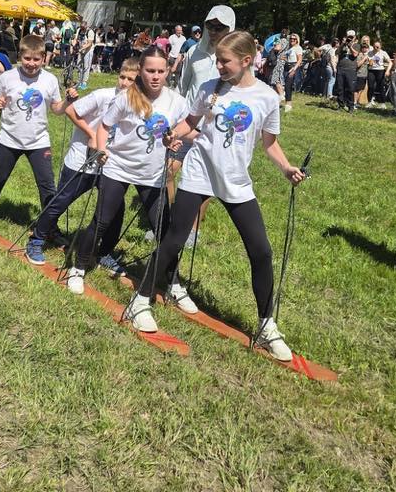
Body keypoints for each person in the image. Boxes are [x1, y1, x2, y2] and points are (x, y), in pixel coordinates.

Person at [124, 31, 306, 361]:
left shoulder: (266, 97)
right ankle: (140, 301)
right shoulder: (210, 88)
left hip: (236, 183)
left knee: (261, 252)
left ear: (247, 61)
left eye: (225, 61)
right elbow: (190, 122)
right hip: (199, 175)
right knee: (174, 239)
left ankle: (266, 325)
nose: (219, 66)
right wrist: (173, 134)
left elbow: (269, 143)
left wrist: (286, 168)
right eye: (218, 60)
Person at [67, 46, 189, 292]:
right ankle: (78, 268)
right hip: (119, 168)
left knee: (164, 229)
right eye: (150, 71)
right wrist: (102, 148)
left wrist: (176, 136)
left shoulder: (176, 100)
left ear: (168, 71)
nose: (155, 76)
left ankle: (174, 283)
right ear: (141, 70)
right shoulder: (126, 97)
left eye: (160, 71)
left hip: (152, 174)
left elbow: (188, 125)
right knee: (101, 221)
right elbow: (104, 126)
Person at [25, 58, 140, 266]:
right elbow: (71, 111)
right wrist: (92, 134)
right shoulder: (103, 95)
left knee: (116, 210)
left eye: (130, 79)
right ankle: (37, 239)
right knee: (61, 200)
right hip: (82, 160)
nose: (124, 83)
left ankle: (104, 252)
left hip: (109, 166)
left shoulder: (137, 105)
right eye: (122, 77)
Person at [0, 35, 76, 238]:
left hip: (38, 141)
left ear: (43, 58)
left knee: (47, 184)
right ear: (20, 56)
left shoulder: (50, 80)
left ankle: (50, 225)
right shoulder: (7, 77)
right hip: (9, 138)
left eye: (36, 59)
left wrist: (67, 102)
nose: (31, 63)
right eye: (27, 58)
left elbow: (56, 109)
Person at [173, 6, 235, 245]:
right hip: (187, 123)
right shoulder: (194, 53)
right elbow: (183, 87)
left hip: (212, 127)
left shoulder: (234, 58)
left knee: (204, 180)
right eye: (211, 25)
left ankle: (193, 230)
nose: (214, 30)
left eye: (220, 27)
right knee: (168, 171)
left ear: (230, 28)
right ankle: (169, 221)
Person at [366, 40, 391, 108]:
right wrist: (369, 62)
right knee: (370, 86)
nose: (375, 48)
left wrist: (387, 71)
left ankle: (382, 103)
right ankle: (369, 102)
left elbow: (390, 62)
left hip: (380, 70)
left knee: (381, 86)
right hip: (371, 70)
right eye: (374, 46)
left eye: (377, 47)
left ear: (380, 46)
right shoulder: (370, 52)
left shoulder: (383, 53)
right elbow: (368, 62)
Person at [284, 33, 303, 111]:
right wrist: (284, 59)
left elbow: (299, 60)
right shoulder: (290, 48)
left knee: (288, 86)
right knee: (286, 85)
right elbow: (289, 58)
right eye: (291, 38)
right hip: (287, 66)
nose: (292, 40)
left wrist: (294, 69)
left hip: (293, 67)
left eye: (294, 39)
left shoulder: (298, 48)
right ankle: (287, 103)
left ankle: (288, 105)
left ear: (297, 40)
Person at [74, 20, 96, 89]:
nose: (82, 29)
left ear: (86, 26)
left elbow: (89, 43)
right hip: (81, 50)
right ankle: (79, 81)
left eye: (83, 27)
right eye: (81, 27)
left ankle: (84, 82)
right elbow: (75, 39)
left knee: (86, 66)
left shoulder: (90, 32)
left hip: (88, 51)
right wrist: (73, 44)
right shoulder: (79, 30)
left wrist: (82, 48)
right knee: (79, 65)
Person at [355, 42, 371, 107]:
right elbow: (358, 65)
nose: (365, 49)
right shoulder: (359, 55)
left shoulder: (367, 56)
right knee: (357, 89)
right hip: (359, 74)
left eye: (366, 48)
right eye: (364, 48)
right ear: (361, 48)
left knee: (361, 89)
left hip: (364, 75)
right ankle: (354, 102)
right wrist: (364, 58)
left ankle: (357, 102)